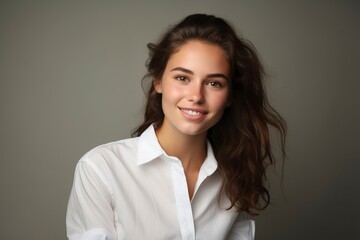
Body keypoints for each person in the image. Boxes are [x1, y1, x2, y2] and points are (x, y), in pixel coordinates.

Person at [66, 13, 286, 240]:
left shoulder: (233, 178)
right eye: (182, 78)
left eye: (214, 83)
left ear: (230, 95)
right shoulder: (100, 170)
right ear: (158, 81)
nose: (196, 96)